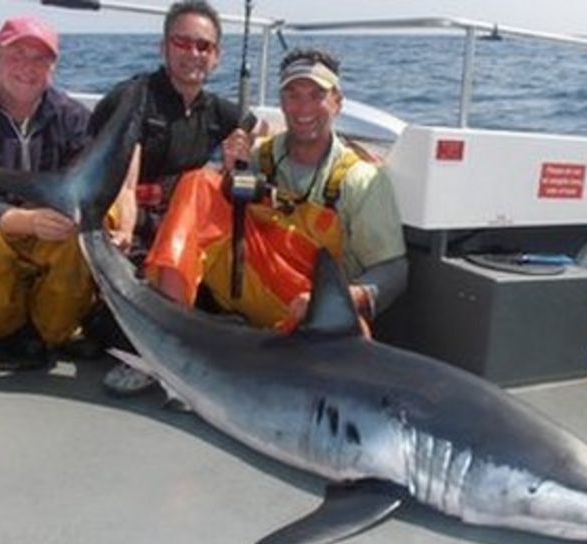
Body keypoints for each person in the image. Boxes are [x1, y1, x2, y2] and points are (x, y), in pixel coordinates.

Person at [145, 48, 407, 335]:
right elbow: (208, 217)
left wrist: (343, 298)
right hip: (246, 282)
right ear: (281, 102)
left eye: (316, 95)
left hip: (312, 309)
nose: (303, 107)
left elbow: (393, 270)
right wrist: (230, 170)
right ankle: (165, 331)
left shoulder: (361, 180)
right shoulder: (259, 155)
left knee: (355, 333)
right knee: (197, 183)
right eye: (292, 95)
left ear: (337, 102)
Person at [88, 0, 253, 394]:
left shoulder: (218, 112)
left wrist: (240, 153)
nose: (193, 53)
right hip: (127, 225)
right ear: (164, 47)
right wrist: (125, 226)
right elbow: (118, 180)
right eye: (183, 42)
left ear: (216, 57)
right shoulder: (131, 97)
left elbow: (253, 127)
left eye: (204, 46)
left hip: (179, 231)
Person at [0, 16, 111, 368]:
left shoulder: (74, 118)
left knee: (84, 239)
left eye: (40, 59)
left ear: (53, 68)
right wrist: (20, 219)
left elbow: (87, 190)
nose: (28, 68)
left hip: (50, 232)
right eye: (17, 54)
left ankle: (49, 335)